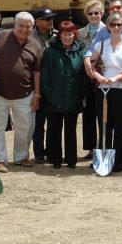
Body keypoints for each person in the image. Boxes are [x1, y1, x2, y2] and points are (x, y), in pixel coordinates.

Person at [85, 0, 122, 168]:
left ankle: (120, 160)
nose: (117, 28)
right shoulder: (101, 43)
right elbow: (91, 61)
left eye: (120, 25)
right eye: (113, 25)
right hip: (103, 89)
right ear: (108, 27)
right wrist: (98, 77)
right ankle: (103, 158)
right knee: (105, 124)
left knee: (121, 125)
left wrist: (115, 79)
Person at [0, 12, 42, 171]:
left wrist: (37, 95)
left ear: (32, 28)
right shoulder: (0, 38)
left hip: (25, 93)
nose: (24, 29)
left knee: (25, 128)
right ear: (14, 25)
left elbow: (37, 72)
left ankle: (21, 157)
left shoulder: (35, 45)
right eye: (21, 25)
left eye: (28, 27)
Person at [40, 21, 87, 169]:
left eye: (70, 33)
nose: (67, 37)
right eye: (64, 34)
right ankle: (55, 159)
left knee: (71, 129)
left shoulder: (81, 52)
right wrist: (49, 93)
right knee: (54, 129)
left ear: (75, 35)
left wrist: (81, 94)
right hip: (54, 99)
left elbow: (83, 76)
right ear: (59, 36)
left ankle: (71, 159)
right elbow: (44, 77)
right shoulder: (50, 51)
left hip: (73, 98)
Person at [78, 0, 105, 161]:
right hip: (86, 79)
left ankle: (102, 147)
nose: (94, 16)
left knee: (103, 115)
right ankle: (91, 148)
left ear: (102, 14)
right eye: (90, 13)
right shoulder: (80, 34)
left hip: (105, 79)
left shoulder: (110, 31)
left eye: (97, 13)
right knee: (88, 115)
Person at [30, 8, 57, 163]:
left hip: (53, 85)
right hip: (36, 84)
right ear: (37, 21)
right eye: (46, 19)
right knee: (38, 123)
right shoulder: (30, 37)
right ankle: (39, 153)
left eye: (51, 18)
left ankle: (51, 152)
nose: (50, 21)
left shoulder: (57, 35)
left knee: (53, 122)